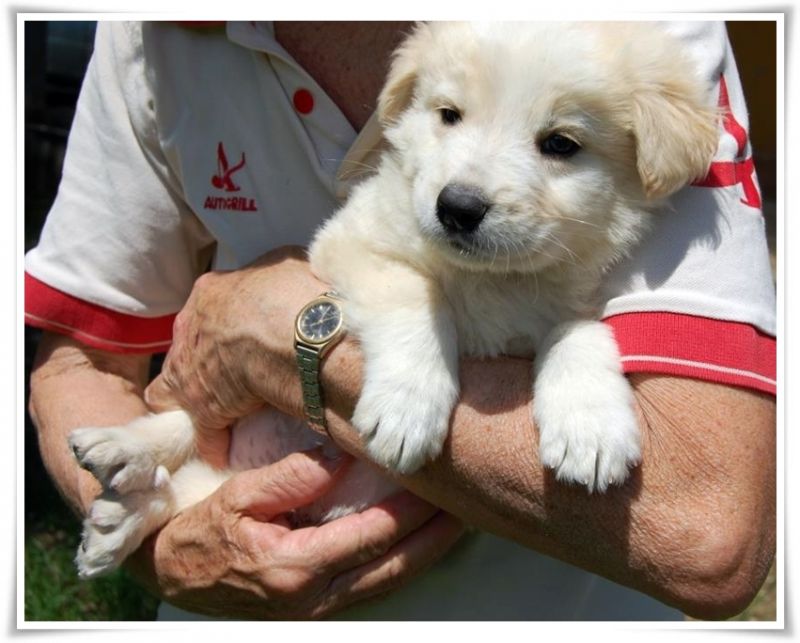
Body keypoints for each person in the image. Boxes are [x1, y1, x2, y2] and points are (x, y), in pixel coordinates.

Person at [26, 21, 776, 620]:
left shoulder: (633, 35)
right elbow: (77, 360)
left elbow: (710, 542)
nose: (466, 187)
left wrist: (289, 338)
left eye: (558, 145)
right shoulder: (155, 32)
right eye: (447, 115)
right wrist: (158, 552)